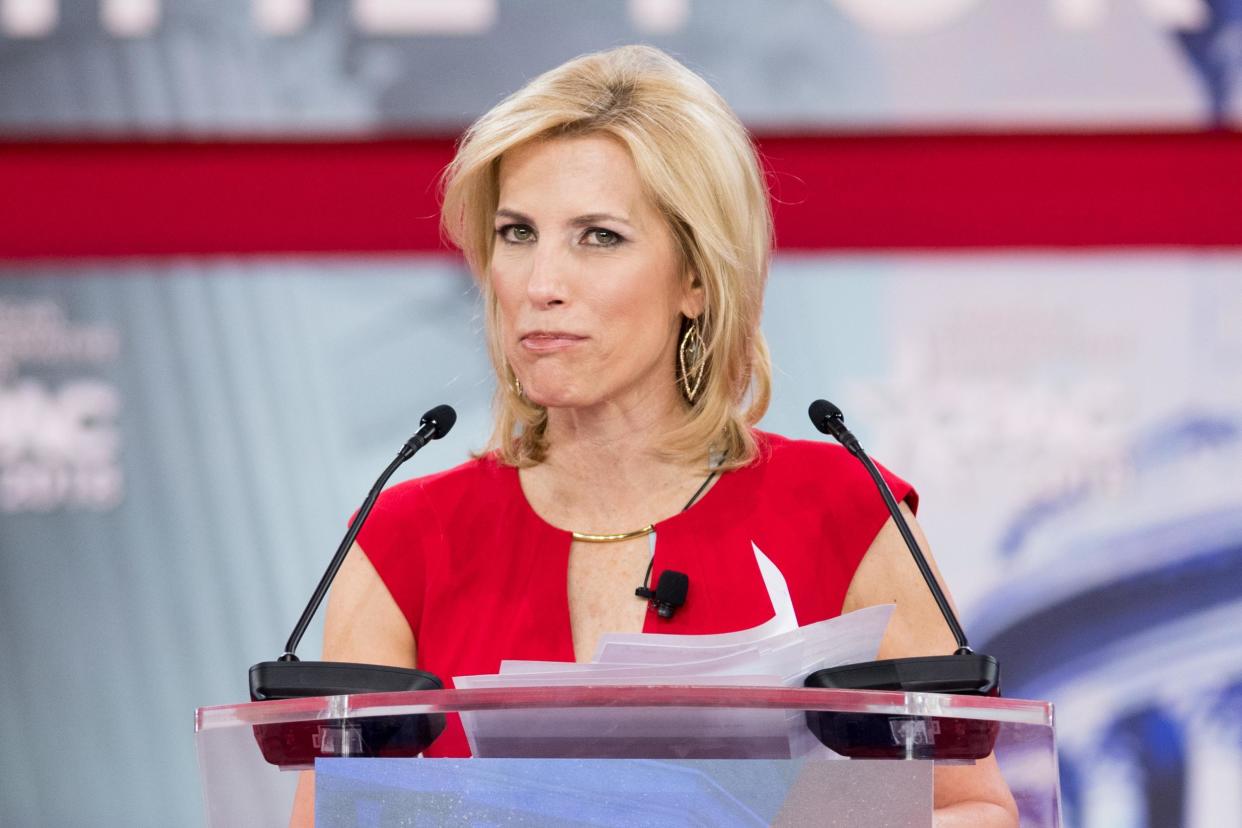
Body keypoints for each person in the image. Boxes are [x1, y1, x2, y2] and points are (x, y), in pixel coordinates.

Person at [292, 45, 1018, 826]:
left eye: (598, 237)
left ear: (696, 280)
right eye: (516, 234)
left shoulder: (845, 513)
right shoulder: (402, 544)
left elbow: (975, 811)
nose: (541, 285)